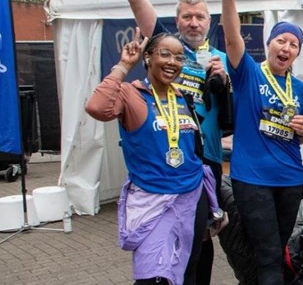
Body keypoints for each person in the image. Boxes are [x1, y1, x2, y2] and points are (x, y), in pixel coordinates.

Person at [120, 0, 228, 282]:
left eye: (200, 17)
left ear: (209, 22)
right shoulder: (166, 48)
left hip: (205, 161)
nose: (193, 22)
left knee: (201, 240)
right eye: (187, 17)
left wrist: (224, 82)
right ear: (177, 20)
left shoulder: (221, 58)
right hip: (164, 161)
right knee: (165, 240)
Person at [85, 31, 222, 285]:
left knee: (189, 268)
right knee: (151, 277)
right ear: (148, 57)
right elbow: (97, 107)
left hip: (191, 194)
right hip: (152, 198)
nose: (172, 62)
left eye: (179, 57)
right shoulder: (132, 94)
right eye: (165, 54)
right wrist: (124, 65)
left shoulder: (182, 97)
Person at [218, 0, 303, 285]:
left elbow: (300, 136)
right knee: (268, 255)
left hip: (290, 179)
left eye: (293, 44)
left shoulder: (299, 88)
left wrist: (302, 131)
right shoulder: (248, 74)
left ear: (297, 53)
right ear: (268, 44)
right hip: (253, 178)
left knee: (277, 251)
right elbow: (232, 39)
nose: (286, 47)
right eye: (281, 40)